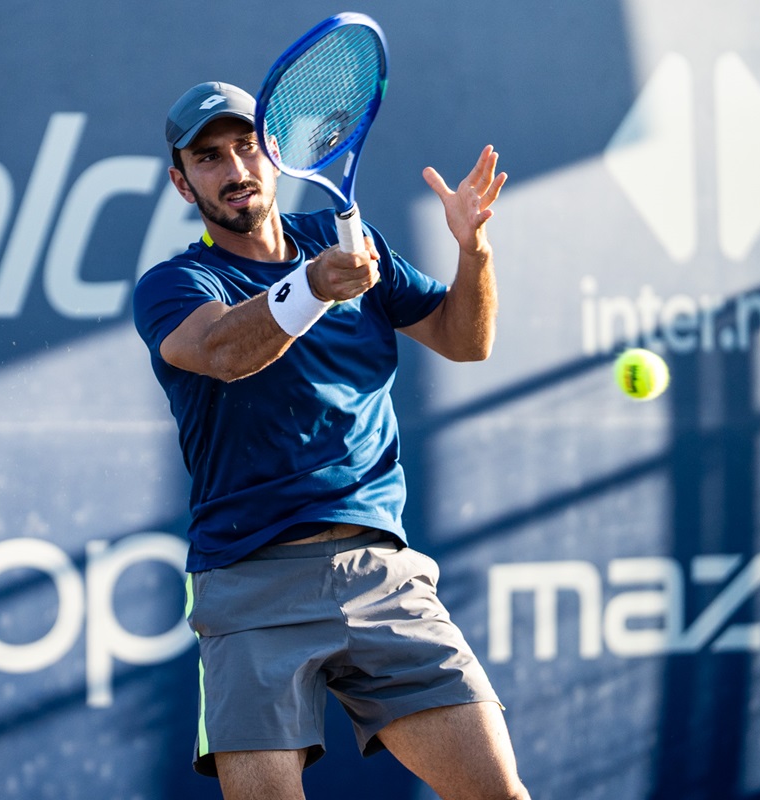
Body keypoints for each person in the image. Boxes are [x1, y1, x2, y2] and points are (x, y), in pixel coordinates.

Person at [133, 81, 528, 800]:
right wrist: (312, 287)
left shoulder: (349, 243)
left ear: (274, 154)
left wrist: (474, 251)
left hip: (382, 574)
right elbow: (222, 351)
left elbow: (465, 340)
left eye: (247, 146)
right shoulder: (176, 283)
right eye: (209, 157)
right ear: (182, 183)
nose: (235, 169)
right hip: (248, 583)